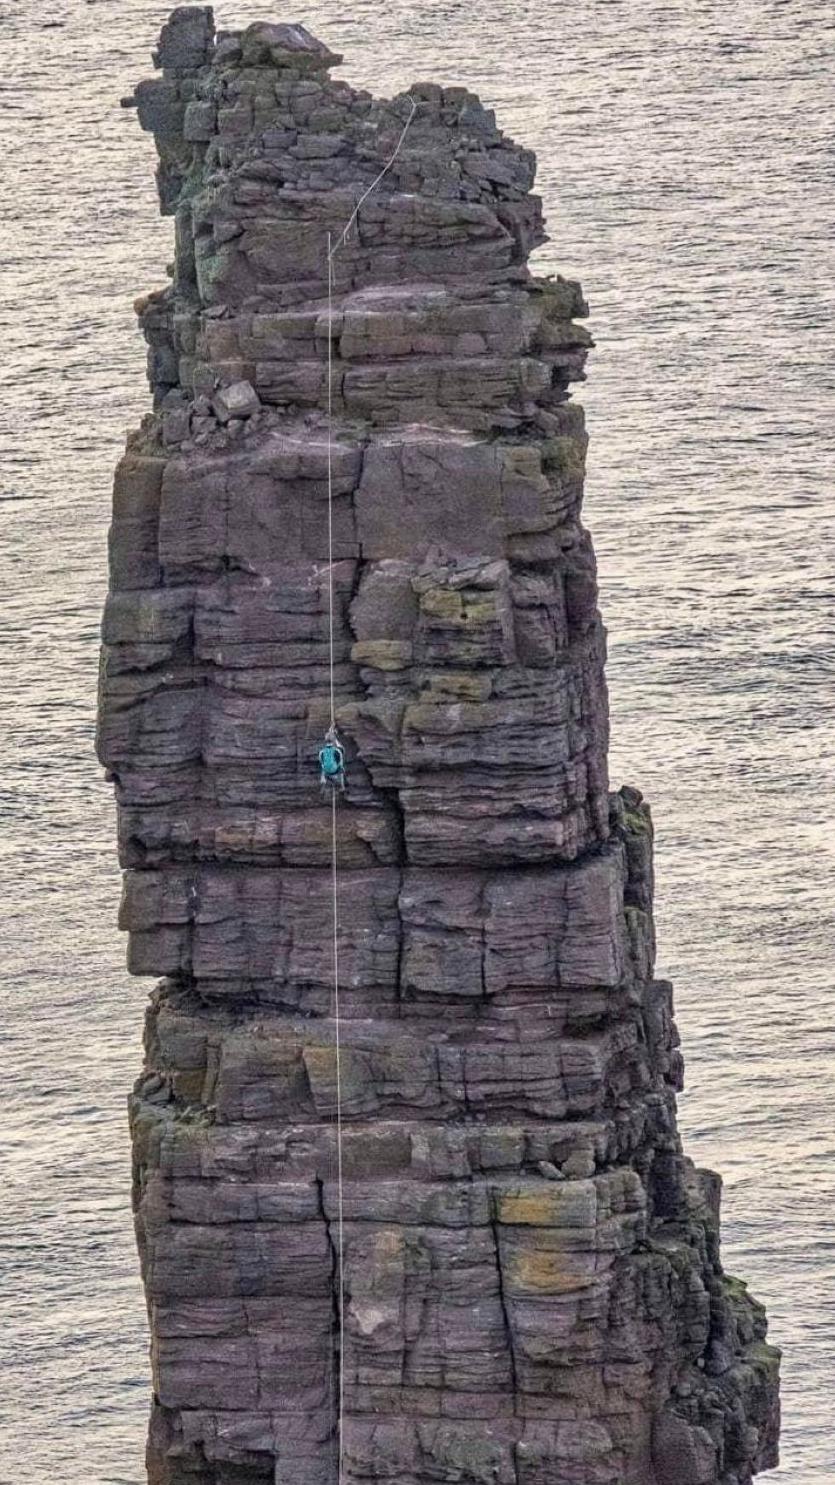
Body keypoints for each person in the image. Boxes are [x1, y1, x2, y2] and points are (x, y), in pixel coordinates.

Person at [318, 726, 346, 792]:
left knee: (323, 766)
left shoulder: (322, 751)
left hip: (326, 771)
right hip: (334, 770)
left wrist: (330, 732)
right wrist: (334, 738)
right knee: (341, 767)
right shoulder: (337, 751)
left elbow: (321, 762)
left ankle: (323, 780)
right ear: (333, 741)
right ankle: (342, 786)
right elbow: (339, 762)